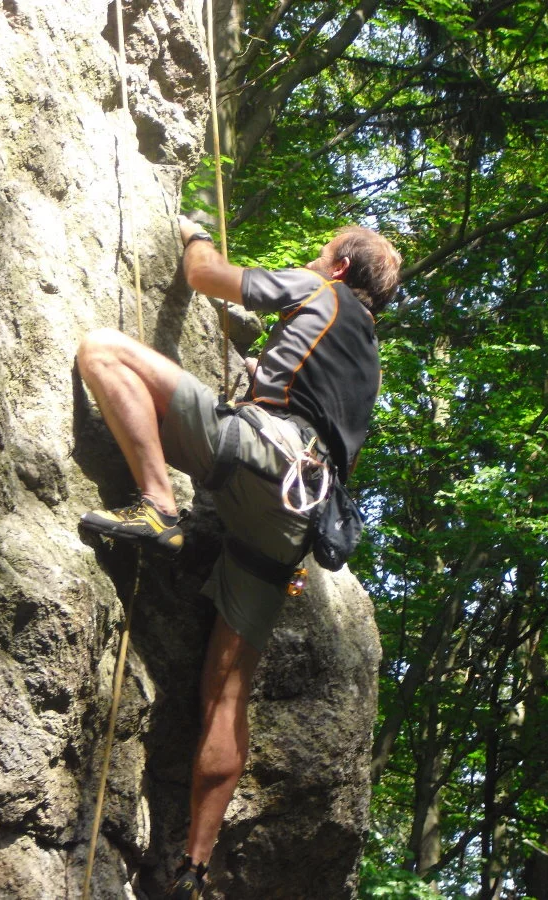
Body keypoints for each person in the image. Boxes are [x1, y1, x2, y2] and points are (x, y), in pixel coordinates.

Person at [77, 215, 401, 899]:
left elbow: (206, 277)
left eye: (321, 254)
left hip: (259, 458)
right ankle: (194, 864)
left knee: (103, 348)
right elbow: (301, 389)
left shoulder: (322, 292)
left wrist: (193, 232)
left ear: (339, 267)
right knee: (226, 694)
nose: (315, 261)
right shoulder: (364, 358)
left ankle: (158, 504)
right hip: (295, 519)